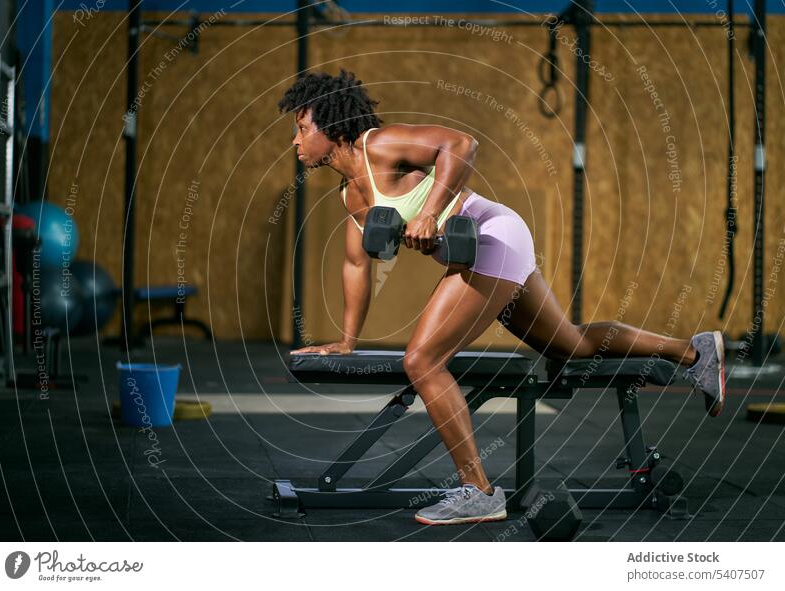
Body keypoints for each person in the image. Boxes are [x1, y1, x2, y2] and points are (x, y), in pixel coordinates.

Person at [280, 69, 725, 526]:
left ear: (332, 127)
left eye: (301, 128)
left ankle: (477, 490)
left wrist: (430, 211)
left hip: (491, 234)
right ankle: (694, 352)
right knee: (570, 345)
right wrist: (347, 340)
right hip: (489, 250)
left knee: (423, 360)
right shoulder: (349, 198)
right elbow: (357, 265)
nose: (295, 142)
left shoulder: (380, 145)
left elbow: (463, 145)